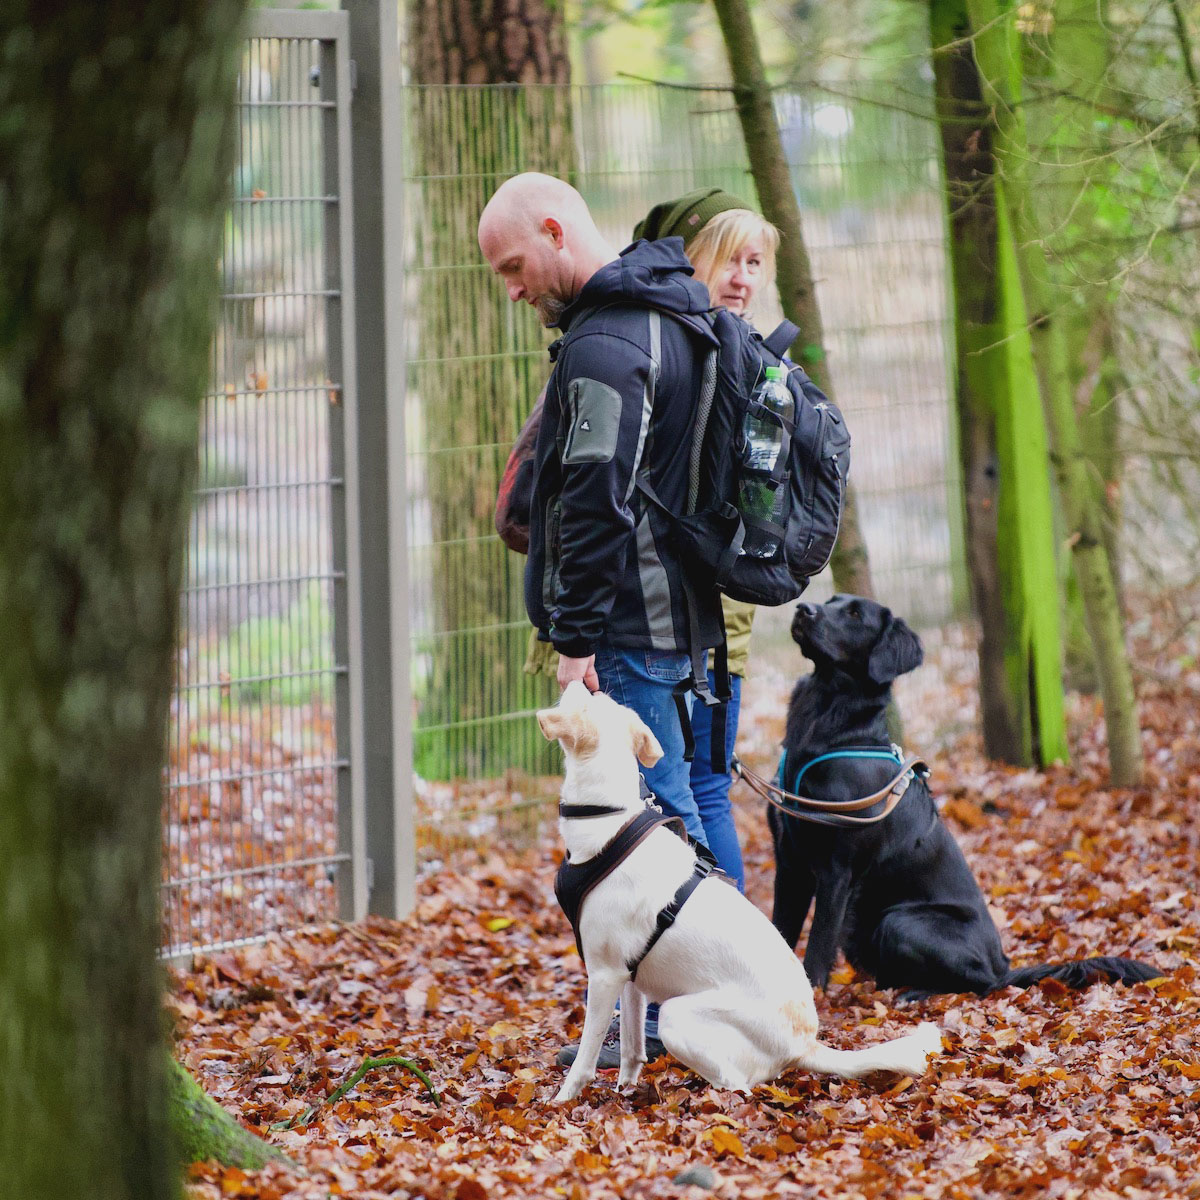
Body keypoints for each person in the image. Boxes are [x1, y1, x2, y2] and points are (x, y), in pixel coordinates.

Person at [478, 172, 722, 850]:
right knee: (682, 811)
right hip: (672, 615)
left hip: (629, 629)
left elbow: (596, 499)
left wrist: (576, 639)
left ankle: (726, 958)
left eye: (514, 267)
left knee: (662, 829)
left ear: (555, 233)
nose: (514, 290)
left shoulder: (606, 345)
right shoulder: (662, 312)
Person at [632, 188, 782, 895]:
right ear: (687, 259)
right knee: (692, 788)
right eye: (729, 258)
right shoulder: (679, 344)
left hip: (717, 620)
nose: (742, 276)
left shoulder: (746, 356)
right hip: (674, 609)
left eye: (754, 262)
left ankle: (726, 962)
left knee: (703, 788)